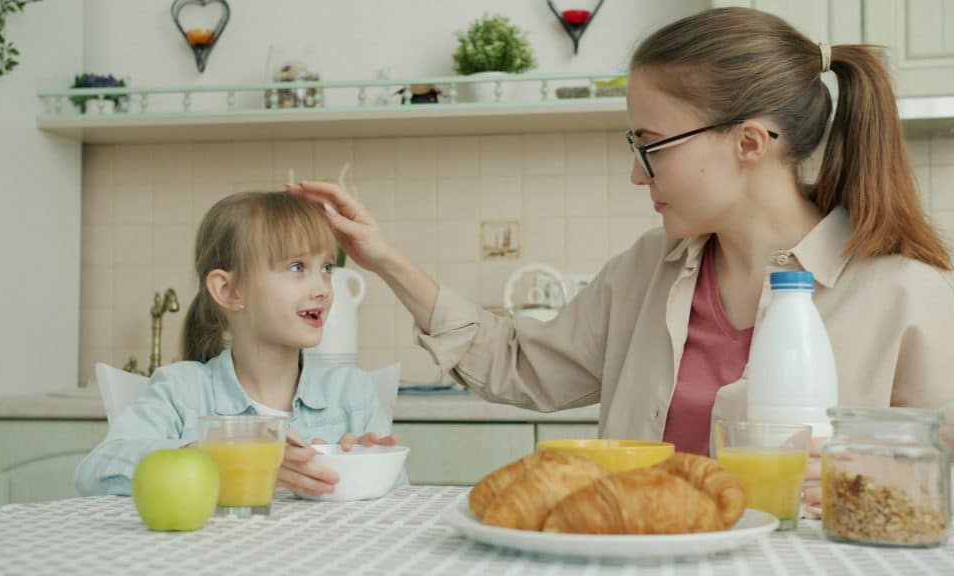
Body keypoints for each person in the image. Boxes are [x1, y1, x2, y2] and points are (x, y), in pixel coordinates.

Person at [289, 6, 954, 510]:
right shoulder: (649, 269)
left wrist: (865, 477)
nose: (638, 175)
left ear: (748, 142)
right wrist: (383, 259)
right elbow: (522, 367)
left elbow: (941, 478)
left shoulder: (907, 294)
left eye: (651, 144)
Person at [75, 191, 398, 498]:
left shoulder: (352, 392)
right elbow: (96, 471)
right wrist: (224, 457)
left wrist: (370, 466)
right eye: (297, 267)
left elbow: (401, 496)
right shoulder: (182, 391)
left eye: (326, 268)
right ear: (229, 291)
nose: (323, 289)